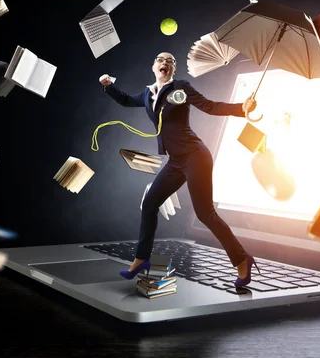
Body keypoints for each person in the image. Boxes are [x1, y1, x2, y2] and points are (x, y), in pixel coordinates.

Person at [99, 52, 260, 287]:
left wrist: (241, 108)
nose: (165, 63)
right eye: (160, 60)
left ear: (173, 70)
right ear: (153, 66)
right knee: (150, 204)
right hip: (175, 161)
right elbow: (125, 100)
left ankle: (242, 259)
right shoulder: (147, 93)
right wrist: (109, 86)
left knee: (205, 214)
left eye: (170, 62)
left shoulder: (181, 88)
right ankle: (142, 258)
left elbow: (209, 106)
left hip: (195, 156)